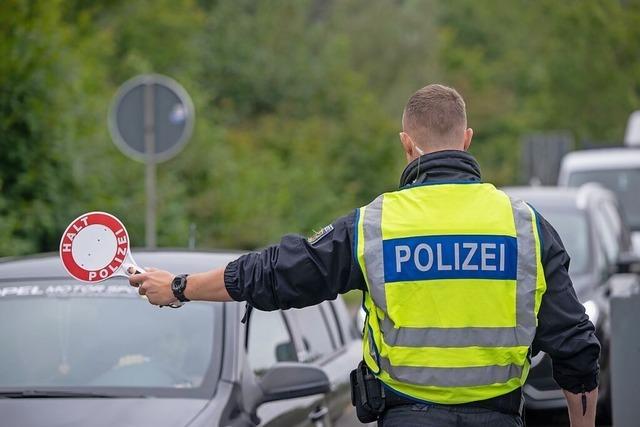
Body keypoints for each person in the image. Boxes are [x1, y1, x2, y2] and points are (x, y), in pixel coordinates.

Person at [130, 84, 600, 426]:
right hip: (498, 418)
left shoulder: (375, 226)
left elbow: (277, 274)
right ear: (467, 138)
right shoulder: (526, 227)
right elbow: (576, 347)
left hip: (407, 419)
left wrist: (179, 287)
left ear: (407, 144)